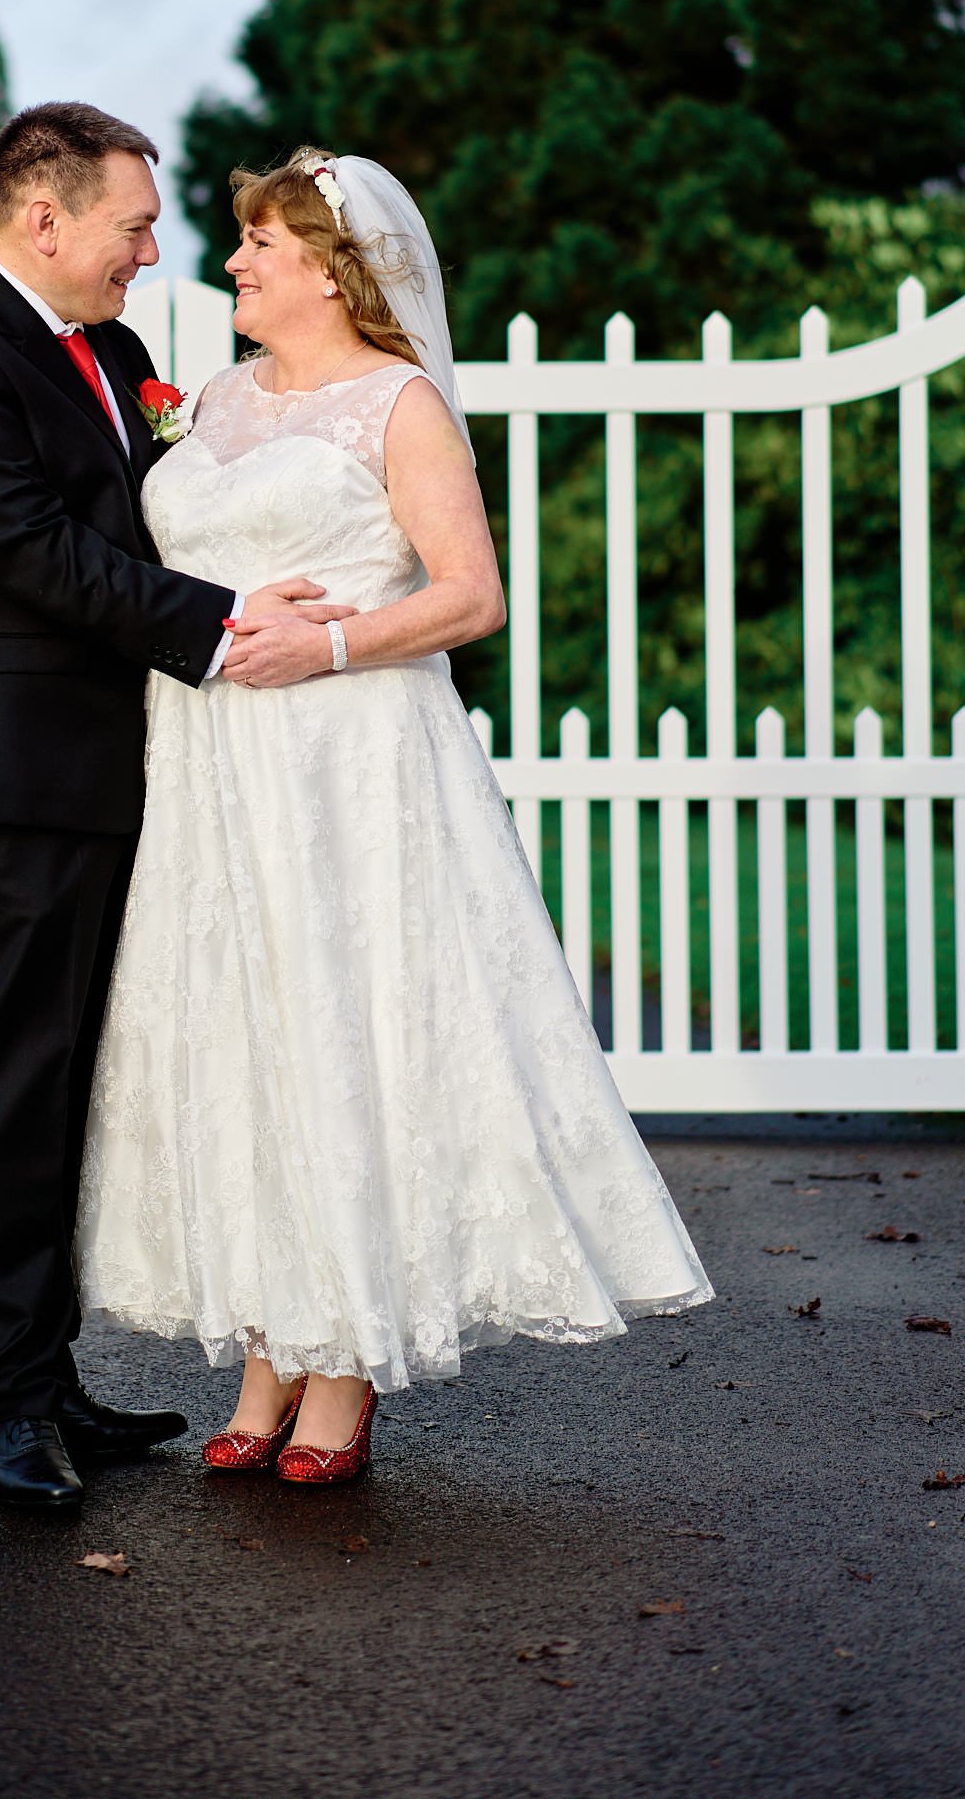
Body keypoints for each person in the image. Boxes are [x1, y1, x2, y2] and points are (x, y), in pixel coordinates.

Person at [77, 149, 711, 1484]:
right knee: (244, 1043)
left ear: (330, 268)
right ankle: (269, 1343)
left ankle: (344, 1368)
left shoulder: (399, 406)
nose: (234, 263)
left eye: (258, 245)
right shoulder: (218, 398)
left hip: (345, 760)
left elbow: (472, 597)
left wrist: (335, 645)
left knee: (340, 1031)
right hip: (207, 763)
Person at [0, 102, 353, 1511]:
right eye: (135, 227)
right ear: (44, 219)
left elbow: (157, 512)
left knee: (73, 1090)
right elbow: (34, 553)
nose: (152, 253)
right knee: (7, 1091)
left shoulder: (119, 355)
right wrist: (224, 616)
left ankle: (45, 1371)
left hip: (112, 779)